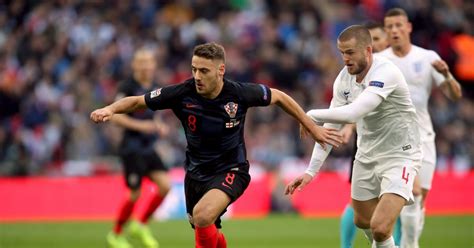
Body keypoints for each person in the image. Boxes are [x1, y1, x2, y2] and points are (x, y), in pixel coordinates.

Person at [91, 42, 343, 248]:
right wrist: (110, 109)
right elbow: (137, 102)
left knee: (202, 216)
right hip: (196, 174)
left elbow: (279, 96)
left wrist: (311, 126)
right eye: (194, 69)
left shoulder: (239, 93)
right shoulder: (182, 93)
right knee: (205, 227)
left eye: (204, 71)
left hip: (232, 170)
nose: (197, 76)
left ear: (220, 70)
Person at [285, 25, 422, 248]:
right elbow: (330, 127)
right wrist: (311, 171)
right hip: (366, 155)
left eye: (350, 52)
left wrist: (308, 115)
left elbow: (354, 112)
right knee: (362, 221)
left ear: (367, 50)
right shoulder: (343, 80)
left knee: (380, 226)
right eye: (342, 53)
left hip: (399, 155)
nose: (345, 58)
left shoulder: (386, 72)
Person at [380, 8, 462, 248]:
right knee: (411, 194)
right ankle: (408, 245)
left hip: (423, 136)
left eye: (398, 25)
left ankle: (410, 242)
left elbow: (454, 95)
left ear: (408, 27)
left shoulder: (426, 58)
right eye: (389, 27)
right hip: (394, 140)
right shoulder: (381, 61)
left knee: (420, 199)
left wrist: (447, 76)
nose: (394, 30)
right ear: (386, 31)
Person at [339, 21, 399, 248]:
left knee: (392, 205)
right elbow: (357, 107)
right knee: (360, 206)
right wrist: (348, 126)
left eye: (378, 38)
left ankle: (399, 243)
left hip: (396, 145)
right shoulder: (358, 70)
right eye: (371, 37)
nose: (375, 42)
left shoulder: (392, 68)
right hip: (367, 143)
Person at [106, 49, 171, 248]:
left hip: (148, 147)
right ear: (134, 65)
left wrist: (159, 125)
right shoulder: (127, 87)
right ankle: (115, 234)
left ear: (154, 65)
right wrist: (142, 127)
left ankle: (140, 225)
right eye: (141, 62)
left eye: (148, 61)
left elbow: (154, 115)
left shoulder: (154, 87)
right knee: (135, 193)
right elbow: (115, 116)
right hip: (131, 147)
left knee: (165, 186)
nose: (145, 66)